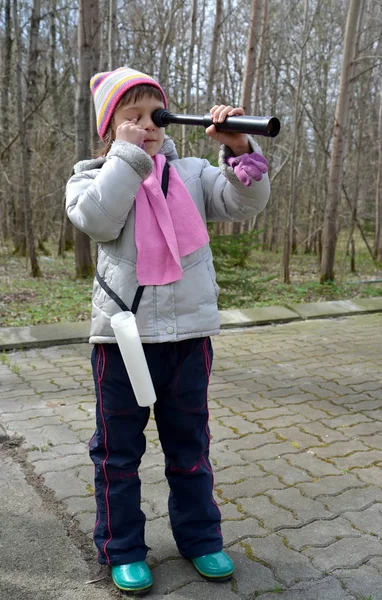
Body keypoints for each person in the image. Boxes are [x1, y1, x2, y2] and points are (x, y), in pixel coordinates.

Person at [66, 66, 270, 594]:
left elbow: (245, 204)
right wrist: (128, 160)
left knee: (190, 446)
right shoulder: (91, 176)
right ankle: (123, 548)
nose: (145, 127)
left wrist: (238, 147)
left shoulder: (194, 174)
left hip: (187, 340)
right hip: (123, 341)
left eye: (153, 115)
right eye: (129, 117)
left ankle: (201, 539)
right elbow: (97, 220)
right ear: (108, 129)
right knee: (117, 452)